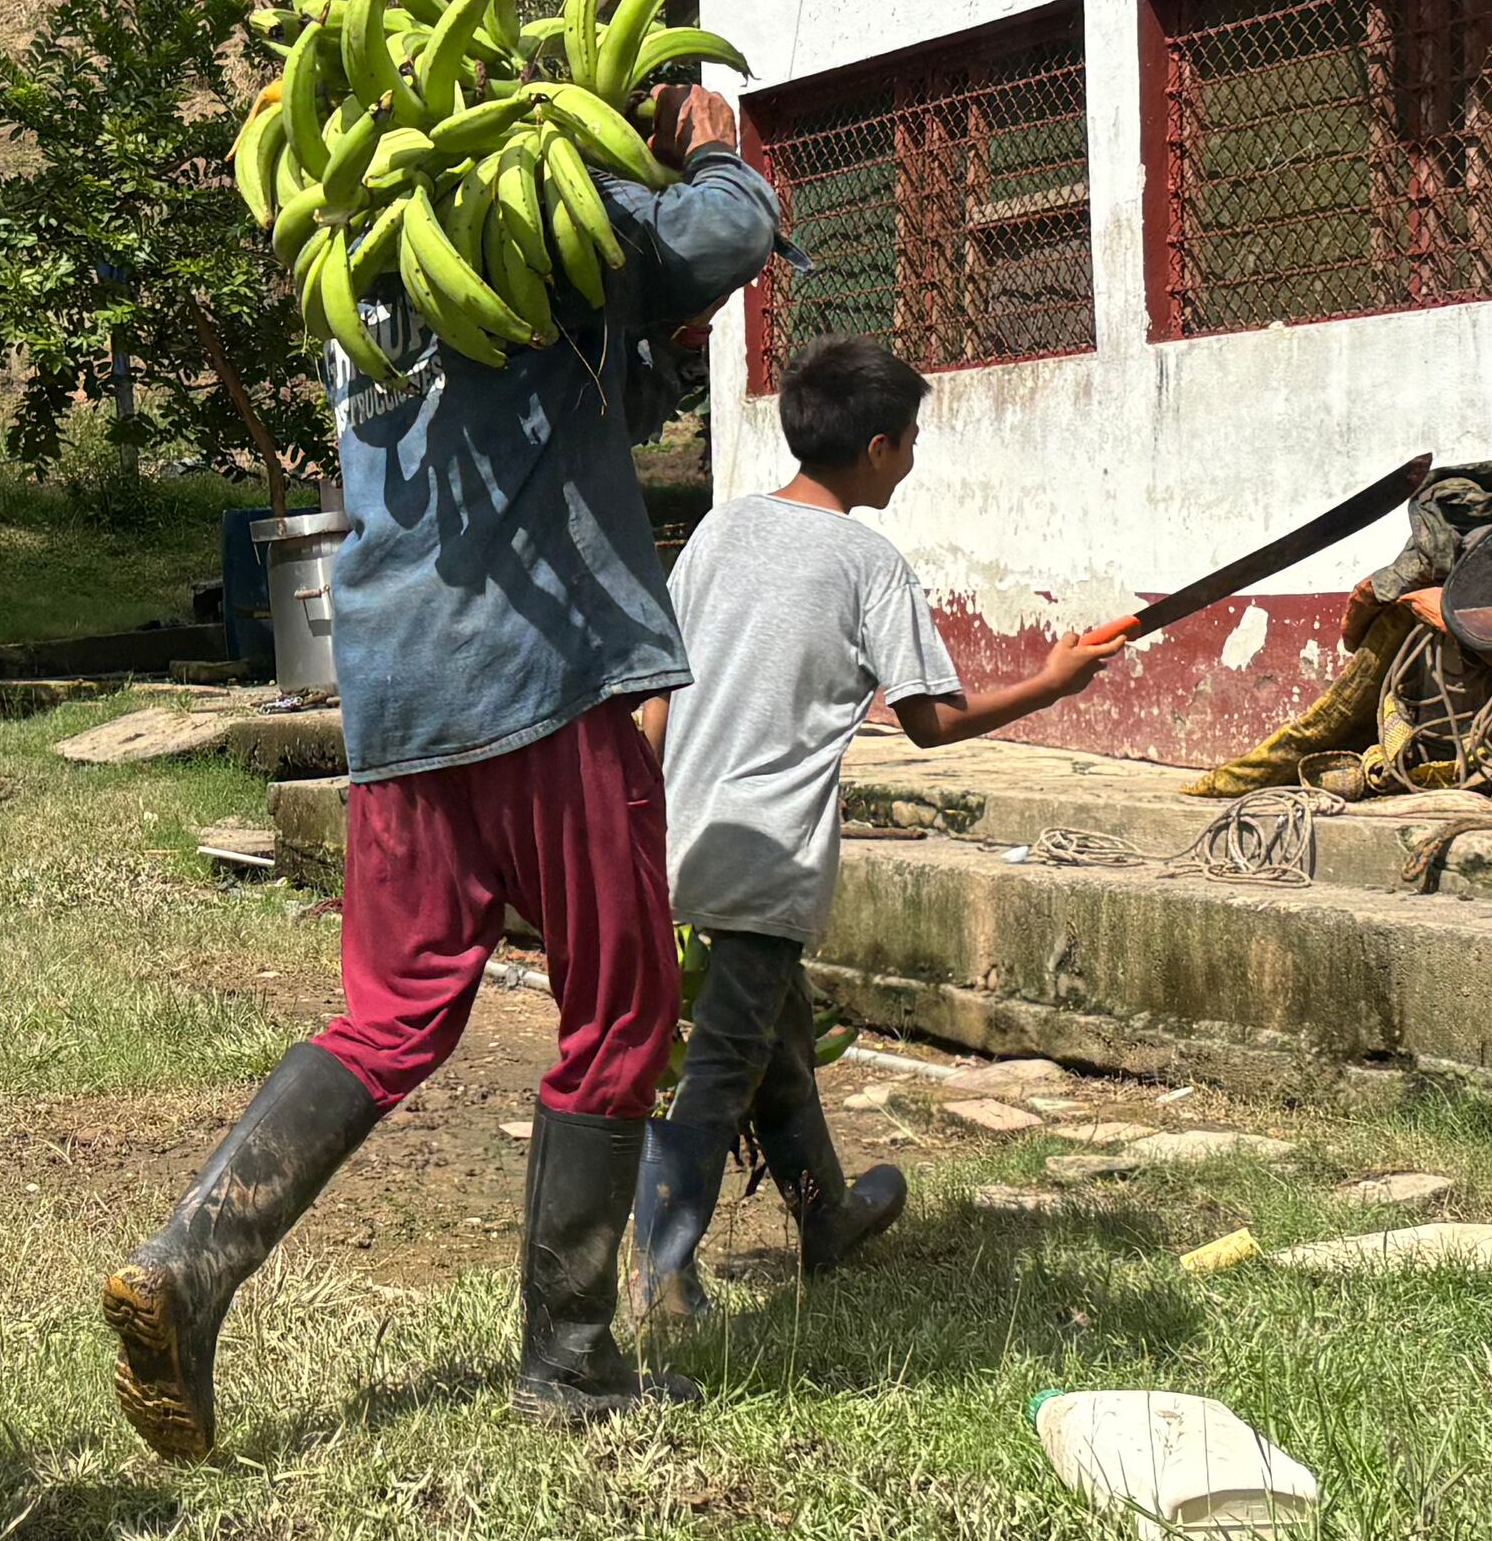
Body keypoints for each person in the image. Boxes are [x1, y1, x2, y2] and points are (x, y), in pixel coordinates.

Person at [104, 80, 779, 1458]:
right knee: (620, 1004)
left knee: (391, 1009)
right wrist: (717, 154)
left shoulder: (372, 256)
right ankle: (573, 1358)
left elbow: (590, 383)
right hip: (543, 673)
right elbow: (713, 237)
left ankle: (190, 1262)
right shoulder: (534, 196)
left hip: (400, 685)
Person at [628, 338, 1128, 1329]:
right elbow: (929, 721)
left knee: (776, 1045)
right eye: (909, 443)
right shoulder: (869, 562)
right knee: (725, 1064)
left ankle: (825, 1221)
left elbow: (654, 696)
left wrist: (638, 818)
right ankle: (660, 1276)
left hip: (680, 836)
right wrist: (1052, 682)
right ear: (875, 446)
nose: (910, 460)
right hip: (767, 855)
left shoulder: (719, 533)